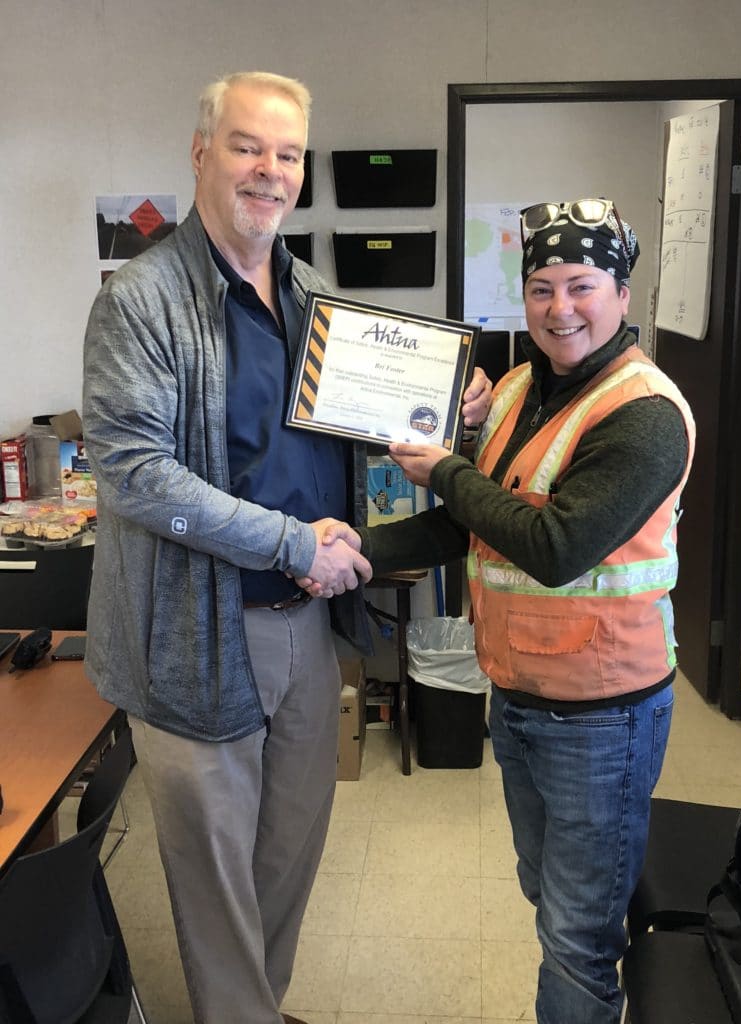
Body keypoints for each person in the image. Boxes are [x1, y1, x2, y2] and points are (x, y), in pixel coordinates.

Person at [82, 71, 491, 1024]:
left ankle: (254, 1006)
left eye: (288, 153)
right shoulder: (141, 301)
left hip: (308, 621)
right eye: (247, 146)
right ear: (200, 153)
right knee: (216, 873)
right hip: (195, 630)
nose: (270, 171)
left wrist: (449, 406)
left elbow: (373, 427)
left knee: (290, 845)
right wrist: (288, 542)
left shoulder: (312, 295)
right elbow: (136, 472)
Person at [309, 199, 696, 1023]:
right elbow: (467, 522)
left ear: (623, 294)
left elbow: (554, 547)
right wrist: (360, 549)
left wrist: (447, 467)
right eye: (542, 288)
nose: (561, 309)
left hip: (604, 715)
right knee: (545, 893)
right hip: (517, 696)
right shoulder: (521, 386)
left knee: (578, 936)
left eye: (582, 285)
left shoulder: (646, 416)